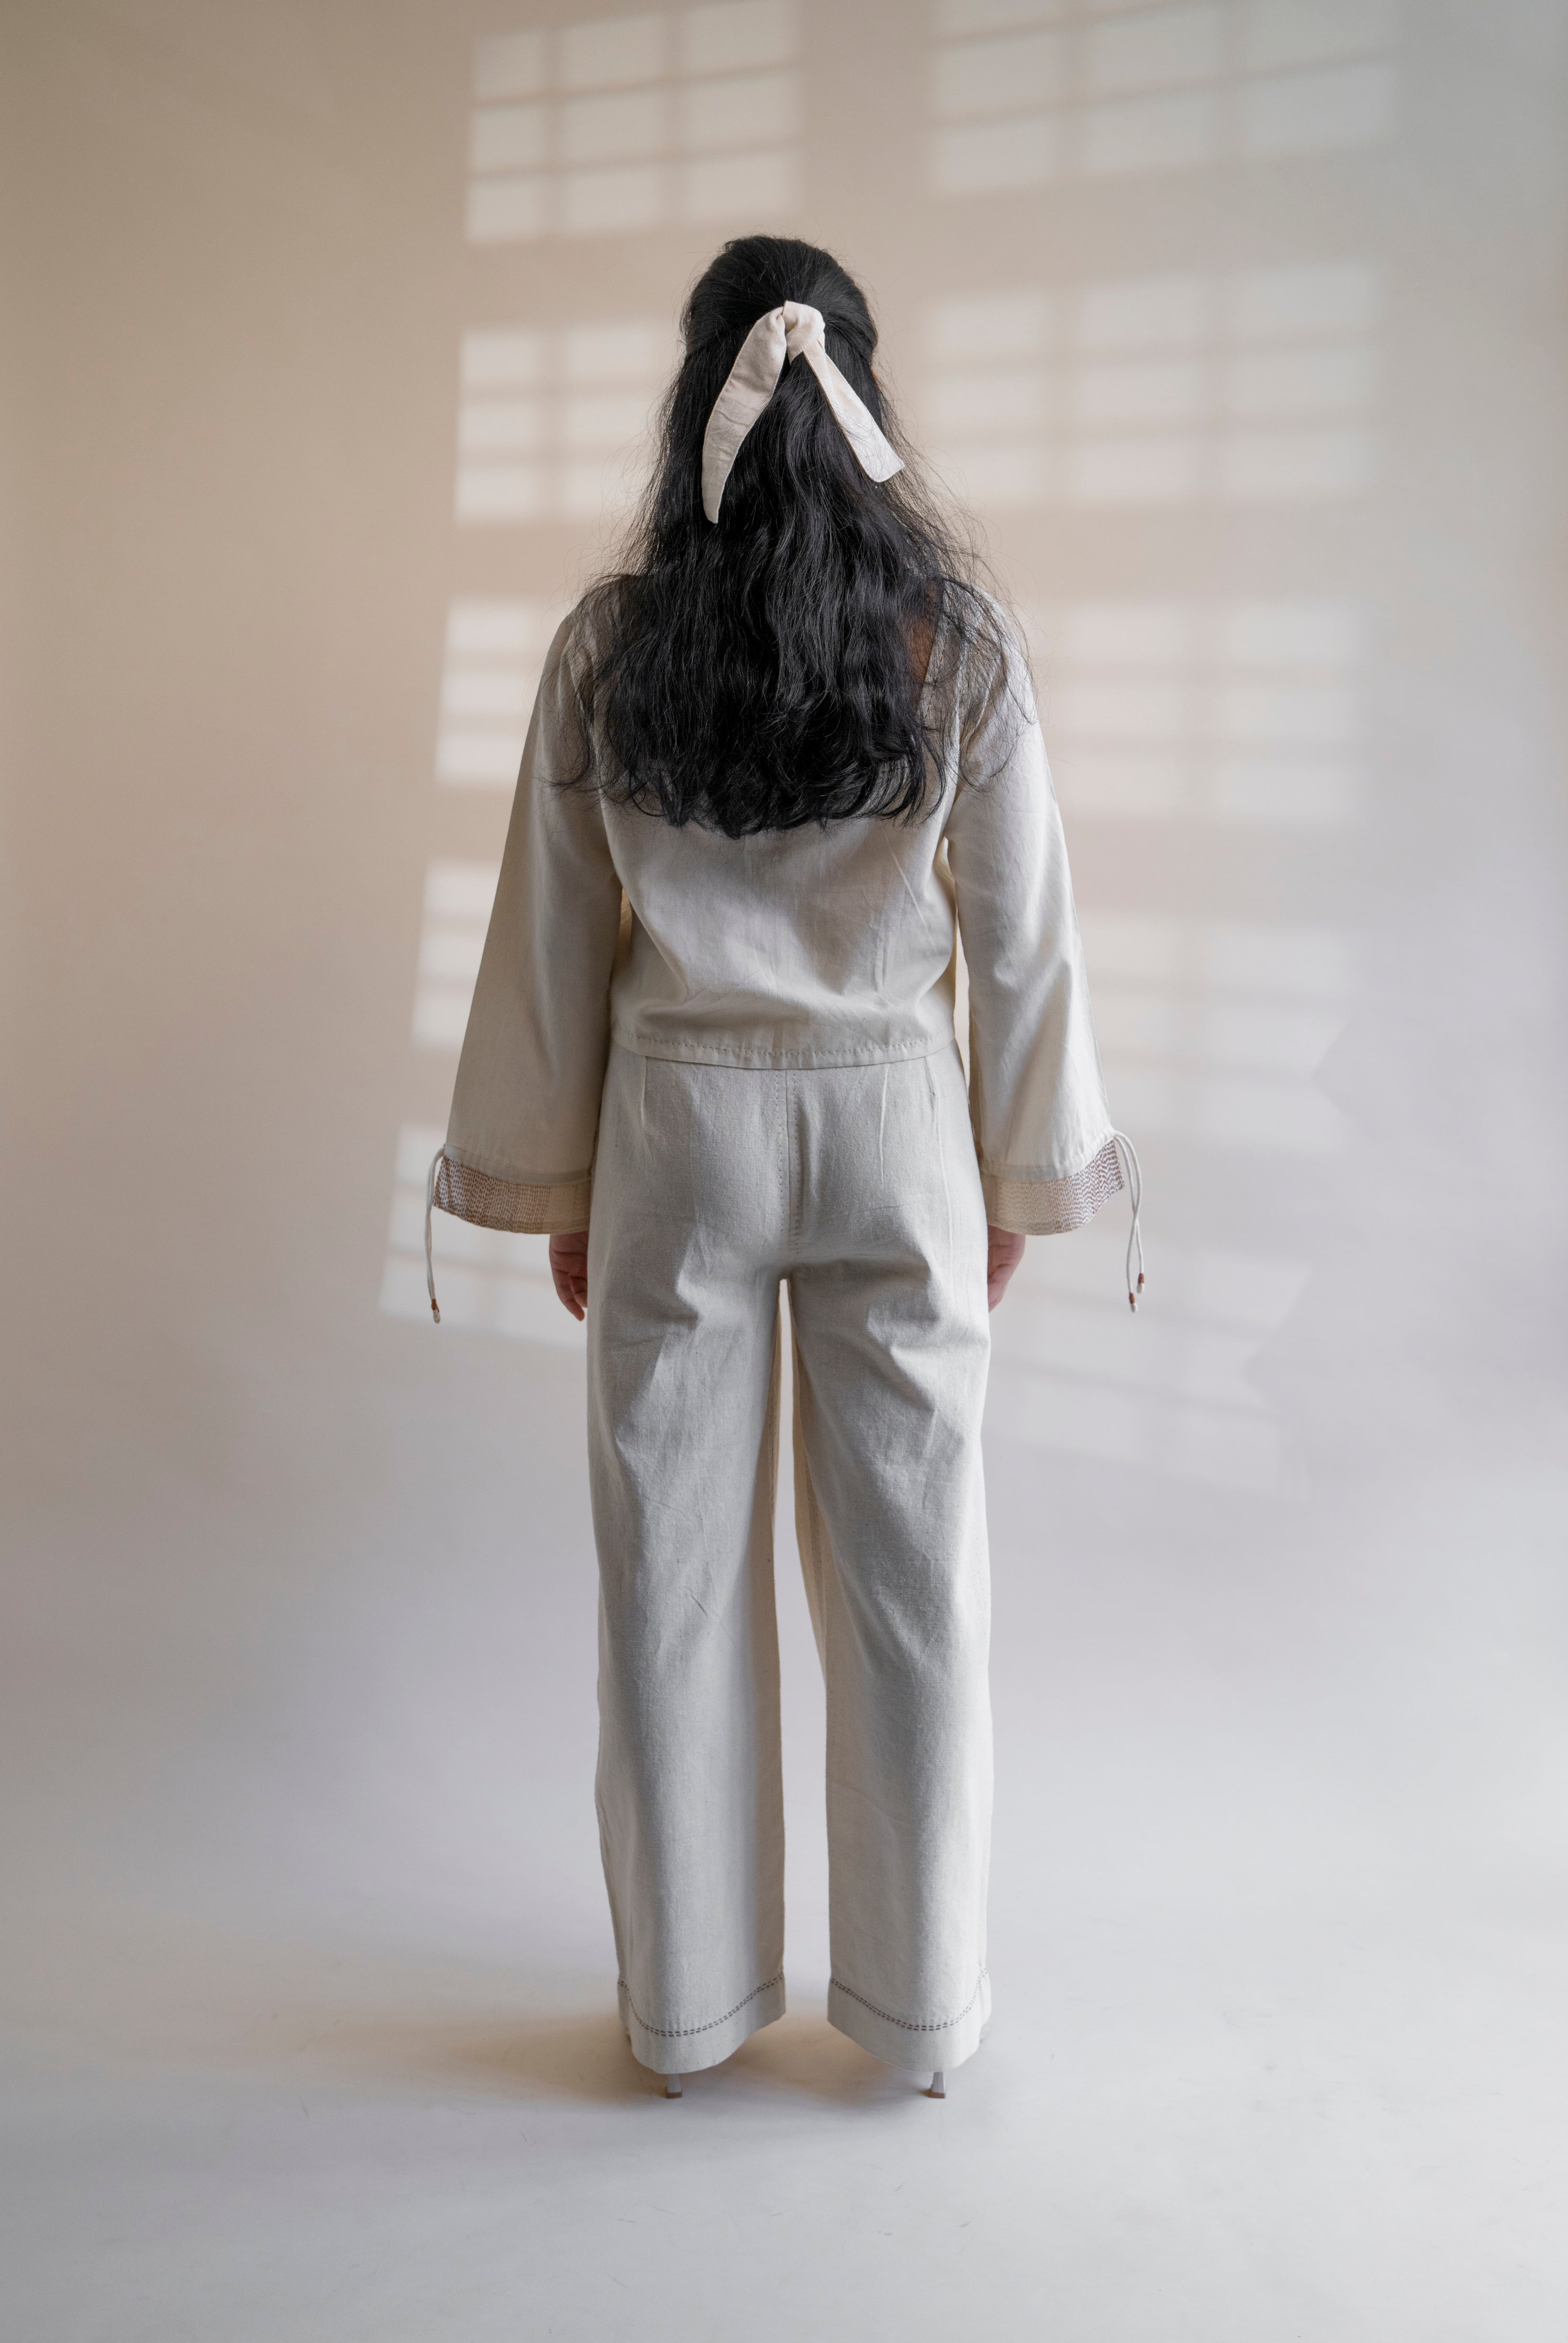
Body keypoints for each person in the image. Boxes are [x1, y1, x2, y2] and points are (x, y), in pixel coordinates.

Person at [425, 235, 1141, 2098]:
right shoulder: (954, 642)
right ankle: (920, 2014)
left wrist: (556, 1184)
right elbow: (1026, 936)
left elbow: (552, 935)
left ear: (696, 401)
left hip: (678, 1139)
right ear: (866, 393)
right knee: (917, 1585)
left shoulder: (613, 648)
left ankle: (684, 2012)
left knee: (669, 1582)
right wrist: (1018, 1177)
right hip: (895, 1128)